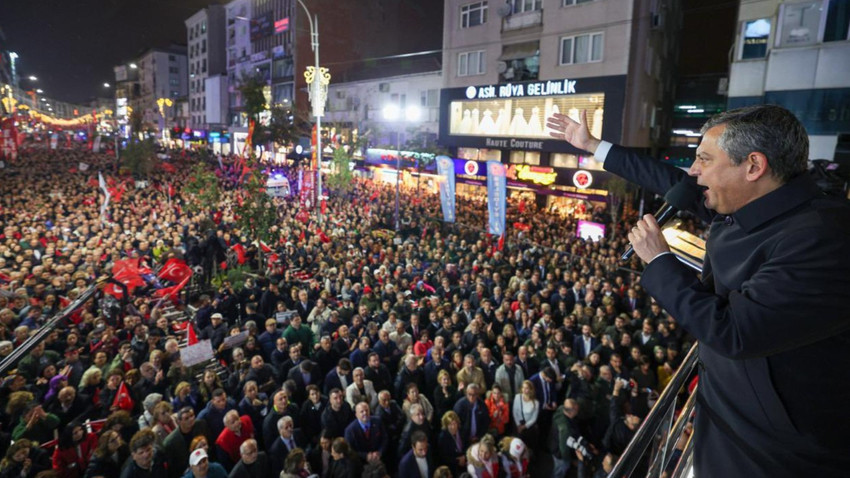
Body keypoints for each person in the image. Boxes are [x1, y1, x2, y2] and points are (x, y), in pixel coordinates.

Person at [548, 104, 850, 475]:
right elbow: (673, 183)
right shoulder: (765, 203)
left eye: (704, 160)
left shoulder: (820, 239)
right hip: (729, 419)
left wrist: (660, 262)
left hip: (773, 453)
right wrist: (592, 144)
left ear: (753, 166)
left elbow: (736, 331)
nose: (693, 172)